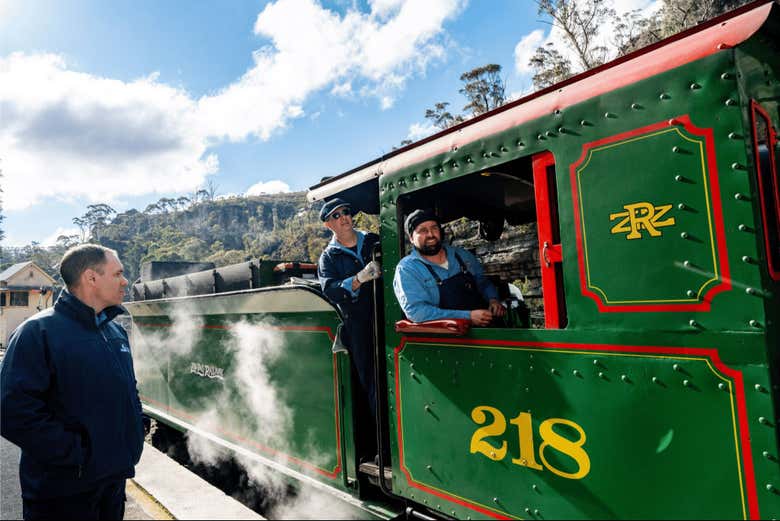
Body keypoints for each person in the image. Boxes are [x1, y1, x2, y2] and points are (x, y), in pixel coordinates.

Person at [0, 244, 144, 520]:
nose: (125, 281)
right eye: (118, 274)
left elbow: (129, 390)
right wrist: (79, 456)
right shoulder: (37, 332)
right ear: (91, 278)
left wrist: (136, 432)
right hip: (61, 495)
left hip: (111, 488)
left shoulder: (115, 332)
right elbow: (12, 412)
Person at [317, 198, 382, 416]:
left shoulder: (373, 240)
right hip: (358, 324)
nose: (343, 217)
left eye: (345, 212)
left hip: (385, 312)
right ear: (328, 224)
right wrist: (359, 279)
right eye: (336, 215)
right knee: (371, 380)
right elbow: (331, 289)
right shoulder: (328, 257)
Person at [393, 209, 506, 326]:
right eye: (423, 230)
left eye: (434, 228)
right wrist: (468, 317)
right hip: (447, 339)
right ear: (411, 238)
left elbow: (483, 282)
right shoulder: (407, 269)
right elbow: (418, 313)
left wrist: (493, 299)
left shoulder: (462, 255)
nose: (431, 234)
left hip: (486, 329)